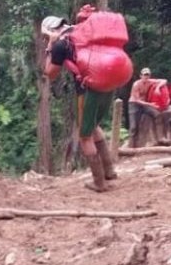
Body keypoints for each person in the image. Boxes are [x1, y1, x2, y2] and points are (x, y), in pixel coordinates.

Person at [42, 15, 118, 192]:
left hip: (88, 89)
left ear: (52, 31)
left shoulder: (61, 44)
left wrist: (50, 46)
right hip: (108, 84)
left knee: (85, 136)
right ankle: (109, 171)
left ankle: (99, 183)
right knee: (92, 126)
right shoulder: (81, 32)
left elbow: (50, 73)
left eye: (46, 36)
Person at [128, 67, 171, 146]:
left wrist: (157, 87)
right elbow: (136, 100)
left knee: (157, 115)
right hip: (135, 104)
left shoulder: (150, 82)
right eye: (144, 75)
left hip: (145, 104)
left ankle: (160, 137)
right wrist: (150, 104)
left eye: (147, 75)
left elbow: (164, 81)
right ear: (141, 76)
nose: (146, 77)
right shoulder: (136, 84)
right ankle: (131, 145)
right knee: (133, 127)